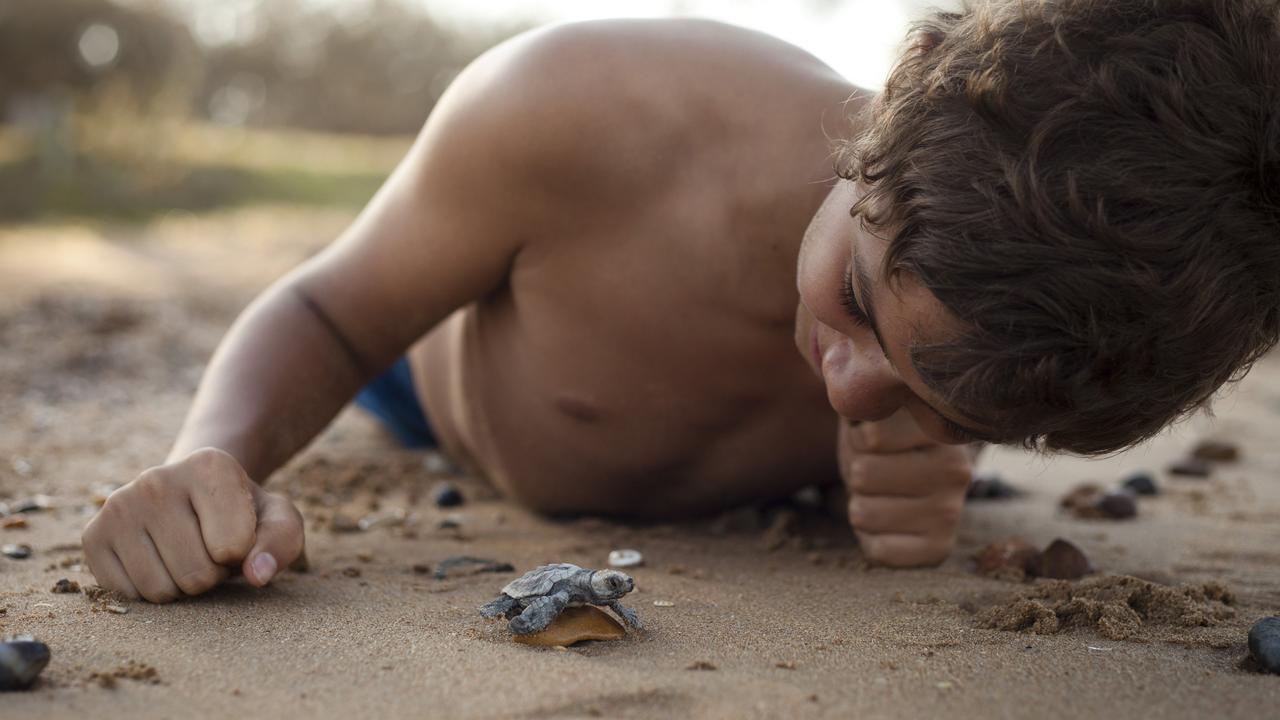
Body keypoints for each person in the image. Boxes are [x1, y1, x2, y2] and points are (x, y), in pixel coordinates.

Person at [82, 0, 1280, 602]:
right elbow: (331, 312)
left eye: (948, 403)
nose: (848, 387)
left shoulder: (1005, 330)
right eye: (855, 301)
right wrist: (212, 458)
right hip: (428, 363)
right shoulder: (582, 108)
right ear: (879, 128)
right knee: (370, 268)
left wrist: (929, 484)